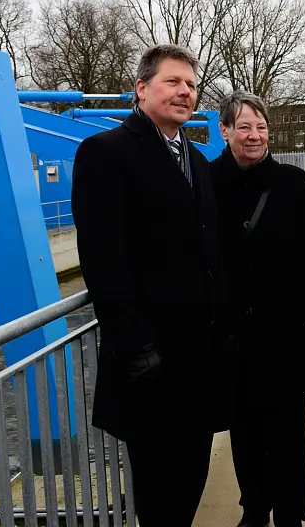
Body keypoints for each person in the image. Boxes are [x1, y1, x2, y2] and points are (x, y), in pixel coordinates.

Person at [71, 44, 230, 526]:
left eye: (191, 85)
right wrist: (135, 344)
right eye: (173, 82)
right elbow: (103, 258)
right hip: (151, 354)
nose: (185, 92)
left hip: (200, 352)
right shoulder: (105, 153)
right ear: (141, 89)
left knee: (193, 470)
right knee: (159, 481)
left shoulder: (196, 159)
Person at [210, 91, 305, 527]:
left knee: (287, 430)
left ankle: (291, 514)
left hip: (285, 328)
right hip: (232, 331)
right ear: (224, 131)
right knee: (243, 429)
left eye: (261, 127)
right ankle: (255, 508)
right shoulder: (206, 182)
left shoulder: (293, 183)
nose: (254, 135)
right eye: (244, 127)